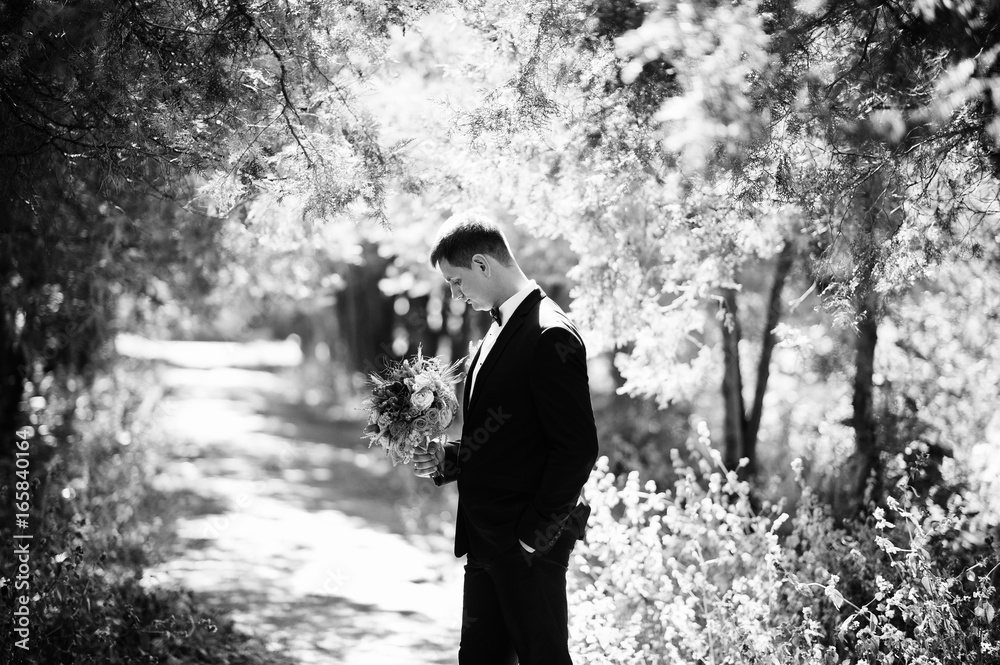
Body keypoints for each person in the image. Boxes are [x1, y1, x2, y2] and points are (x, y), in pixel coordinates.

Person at [413, 213, 599, 665]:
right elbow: (511, 438)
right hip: (484, 542)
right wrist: (450, 458)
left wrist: (531, 540)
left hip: (526, 551)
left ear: (482, 264)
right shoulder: (497, 331)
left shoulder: (550, 334)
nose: (457, 295)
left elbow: (577, 449)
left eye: (457, 282)